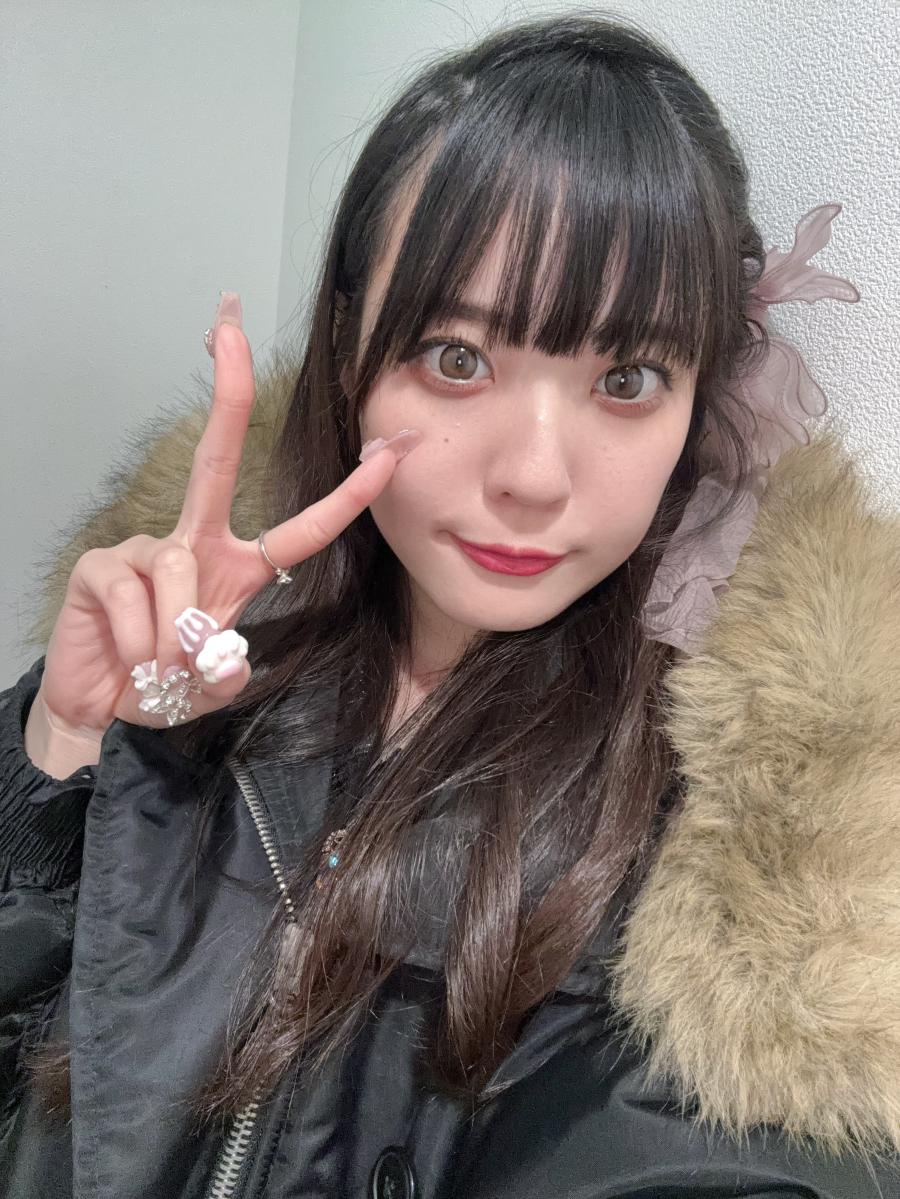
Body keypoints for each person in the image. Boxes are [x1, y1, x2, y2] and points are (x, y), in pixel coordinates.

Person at [2, 11, 898, 1198]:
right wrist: (64, 746)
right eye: (459, 357)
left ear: (704, 398)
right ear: (350, 352)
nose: (532, 474)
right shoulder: (207, 643)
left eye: (628, 377)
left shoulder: (737, 857)